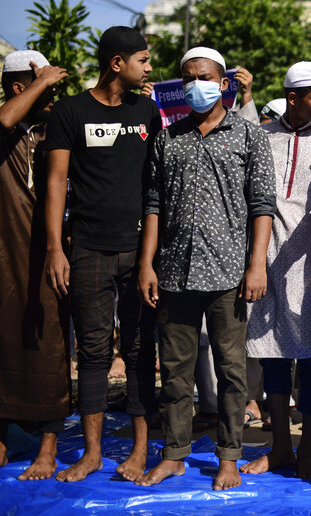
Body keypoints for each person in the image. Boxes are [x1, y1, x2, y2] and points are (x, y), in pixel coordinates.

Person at [136, 46, 276, 491]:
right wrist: (147, 264)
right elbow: (153, 205)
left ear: (223, 83)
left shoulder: (249, 136)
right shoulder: (167, 138)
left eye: (205, 77)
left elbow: (262, 206)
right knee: (175, 371)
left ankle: (229, 456)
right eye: (189, 78)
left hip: (229, 274)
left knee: (232, 372)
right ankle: (174, 455)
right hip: (174, 271)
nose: (197, 84)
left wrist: (257, 266)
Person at [44, 26, 161, 483]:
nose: (150, 68)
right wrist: (57, 247)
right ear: (118, 63)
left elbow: (156, 184)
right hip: (88, 248)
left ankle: (138, 450)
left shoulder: (147, 110)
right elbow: (56, 181)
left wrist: (153, 255)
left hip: (139, 252)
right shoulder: (70, 111)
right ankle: (91, 453)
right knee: (92, 354)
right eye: (144, 60)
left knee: (138, 349)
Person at [242, 62, 311, 480]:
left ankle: (305, 452)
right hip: (265, 260)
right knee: (273, 358)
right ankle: (279, 446)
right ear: (293, 97)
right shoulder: (258, 137)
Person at [0, 50, 70, 481]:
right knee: (3, 341)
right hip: (7, 254)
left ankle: (48, 446)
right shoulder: (5, 127)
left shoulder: (56, 129)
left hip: (52, 254)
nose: (52, 93)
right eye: (42, 85)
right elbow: (7, 119)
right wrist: (43, 80)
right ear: (18, 87)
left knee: (52, 345)